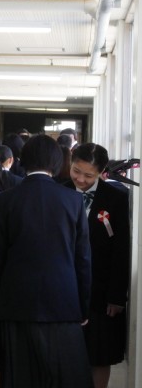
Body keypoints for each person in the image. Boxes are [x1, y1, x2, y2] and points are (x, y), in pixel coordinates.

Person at [0, 134, 92, 388]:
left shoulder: (4, 200)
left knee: (21, 375)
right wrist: (83, 305)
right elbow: (83, 259)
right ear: (57, 162)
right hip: (64, 301)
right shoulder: (73, 200)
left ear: (22, 160)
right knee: (64, 376)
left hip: (16, 303)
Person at [66, 143, 130, 388]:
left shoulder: (116, 198)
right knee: (67, 354)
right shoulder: (59, 191)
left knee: (100, 354)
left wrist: (117, 296)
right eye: (76, 171)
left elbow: (121, 249)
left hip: (101, 289)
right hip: (65, 287)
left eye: (88, 175)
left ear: (102, 172)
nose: (81, 179)